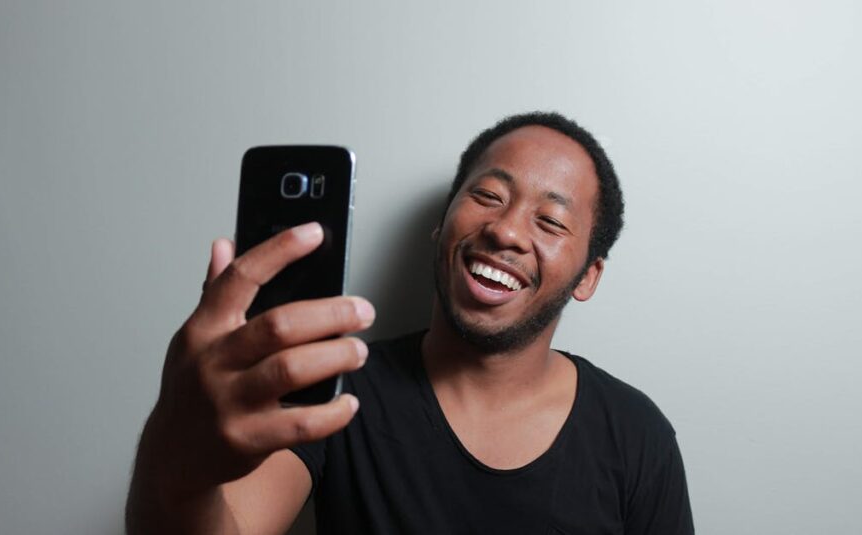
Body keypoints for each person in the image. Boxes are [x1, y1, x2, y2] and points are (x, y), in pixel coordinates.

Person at [126, 112, 694, 534]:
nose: (507, 231)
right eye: (488, 195)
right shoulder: (333, 389)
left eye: (550, 219)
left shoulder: (637, 436)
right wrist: (176, 451)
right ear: (442, 223)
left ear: (588, 276)